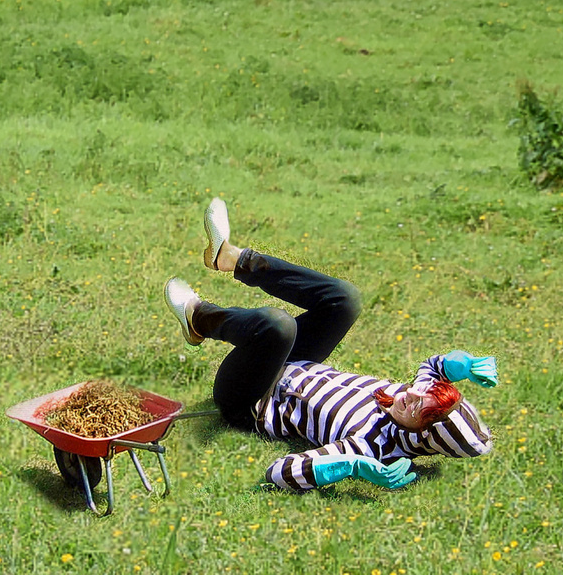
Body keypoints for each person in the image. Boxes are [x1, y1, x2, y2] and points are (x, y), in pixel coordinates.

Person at [164, 198, 496, 492]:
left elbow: (280, 472)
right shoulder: (413, 395)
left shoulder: (371, 446)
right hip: (298, 363)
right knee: (345, 299)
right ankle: (230, 258)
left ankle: (197, 318)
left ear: (420, 436)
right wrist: (462, 365)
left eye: (414, 408)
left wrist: (349, 465)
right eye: (418, 393)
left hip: (251, 397)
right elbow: (433, 369)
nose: (408, 394)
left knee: (277, 325)